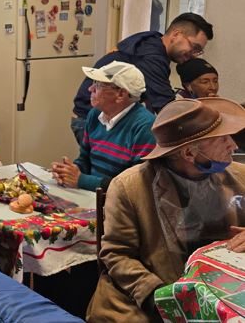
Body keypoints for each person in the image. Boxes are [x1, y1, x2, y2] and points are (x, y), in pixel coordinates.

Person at [88, 98, 245, 322]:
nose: (233, 145)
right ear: (189, 153)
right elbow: (117, 254)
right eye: (222, 139)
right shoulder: (129, 187)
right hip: (155, 292)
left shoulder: (239, 175)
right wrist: (160, 297)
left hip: (226, 288)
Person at [70, 12, 214, 144]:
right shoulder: (152, 56)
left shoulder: (152, 40)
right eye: (194, 47)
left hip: (100, 116)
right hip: (94, 119)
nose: (193, 54)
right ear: (176, 34)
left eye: (198, 51)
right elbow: (166, 106)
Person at [52, 62, 156, 192]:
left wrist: (82, 180)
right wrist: (68, 172)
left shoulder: (145, 126)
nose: (90, 89)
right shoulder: (95, 114)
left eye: (98, 85)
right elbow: (85, 159)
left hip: (119, 201)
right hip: (93, 195)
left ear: (121, 94)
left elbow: (136, 185)